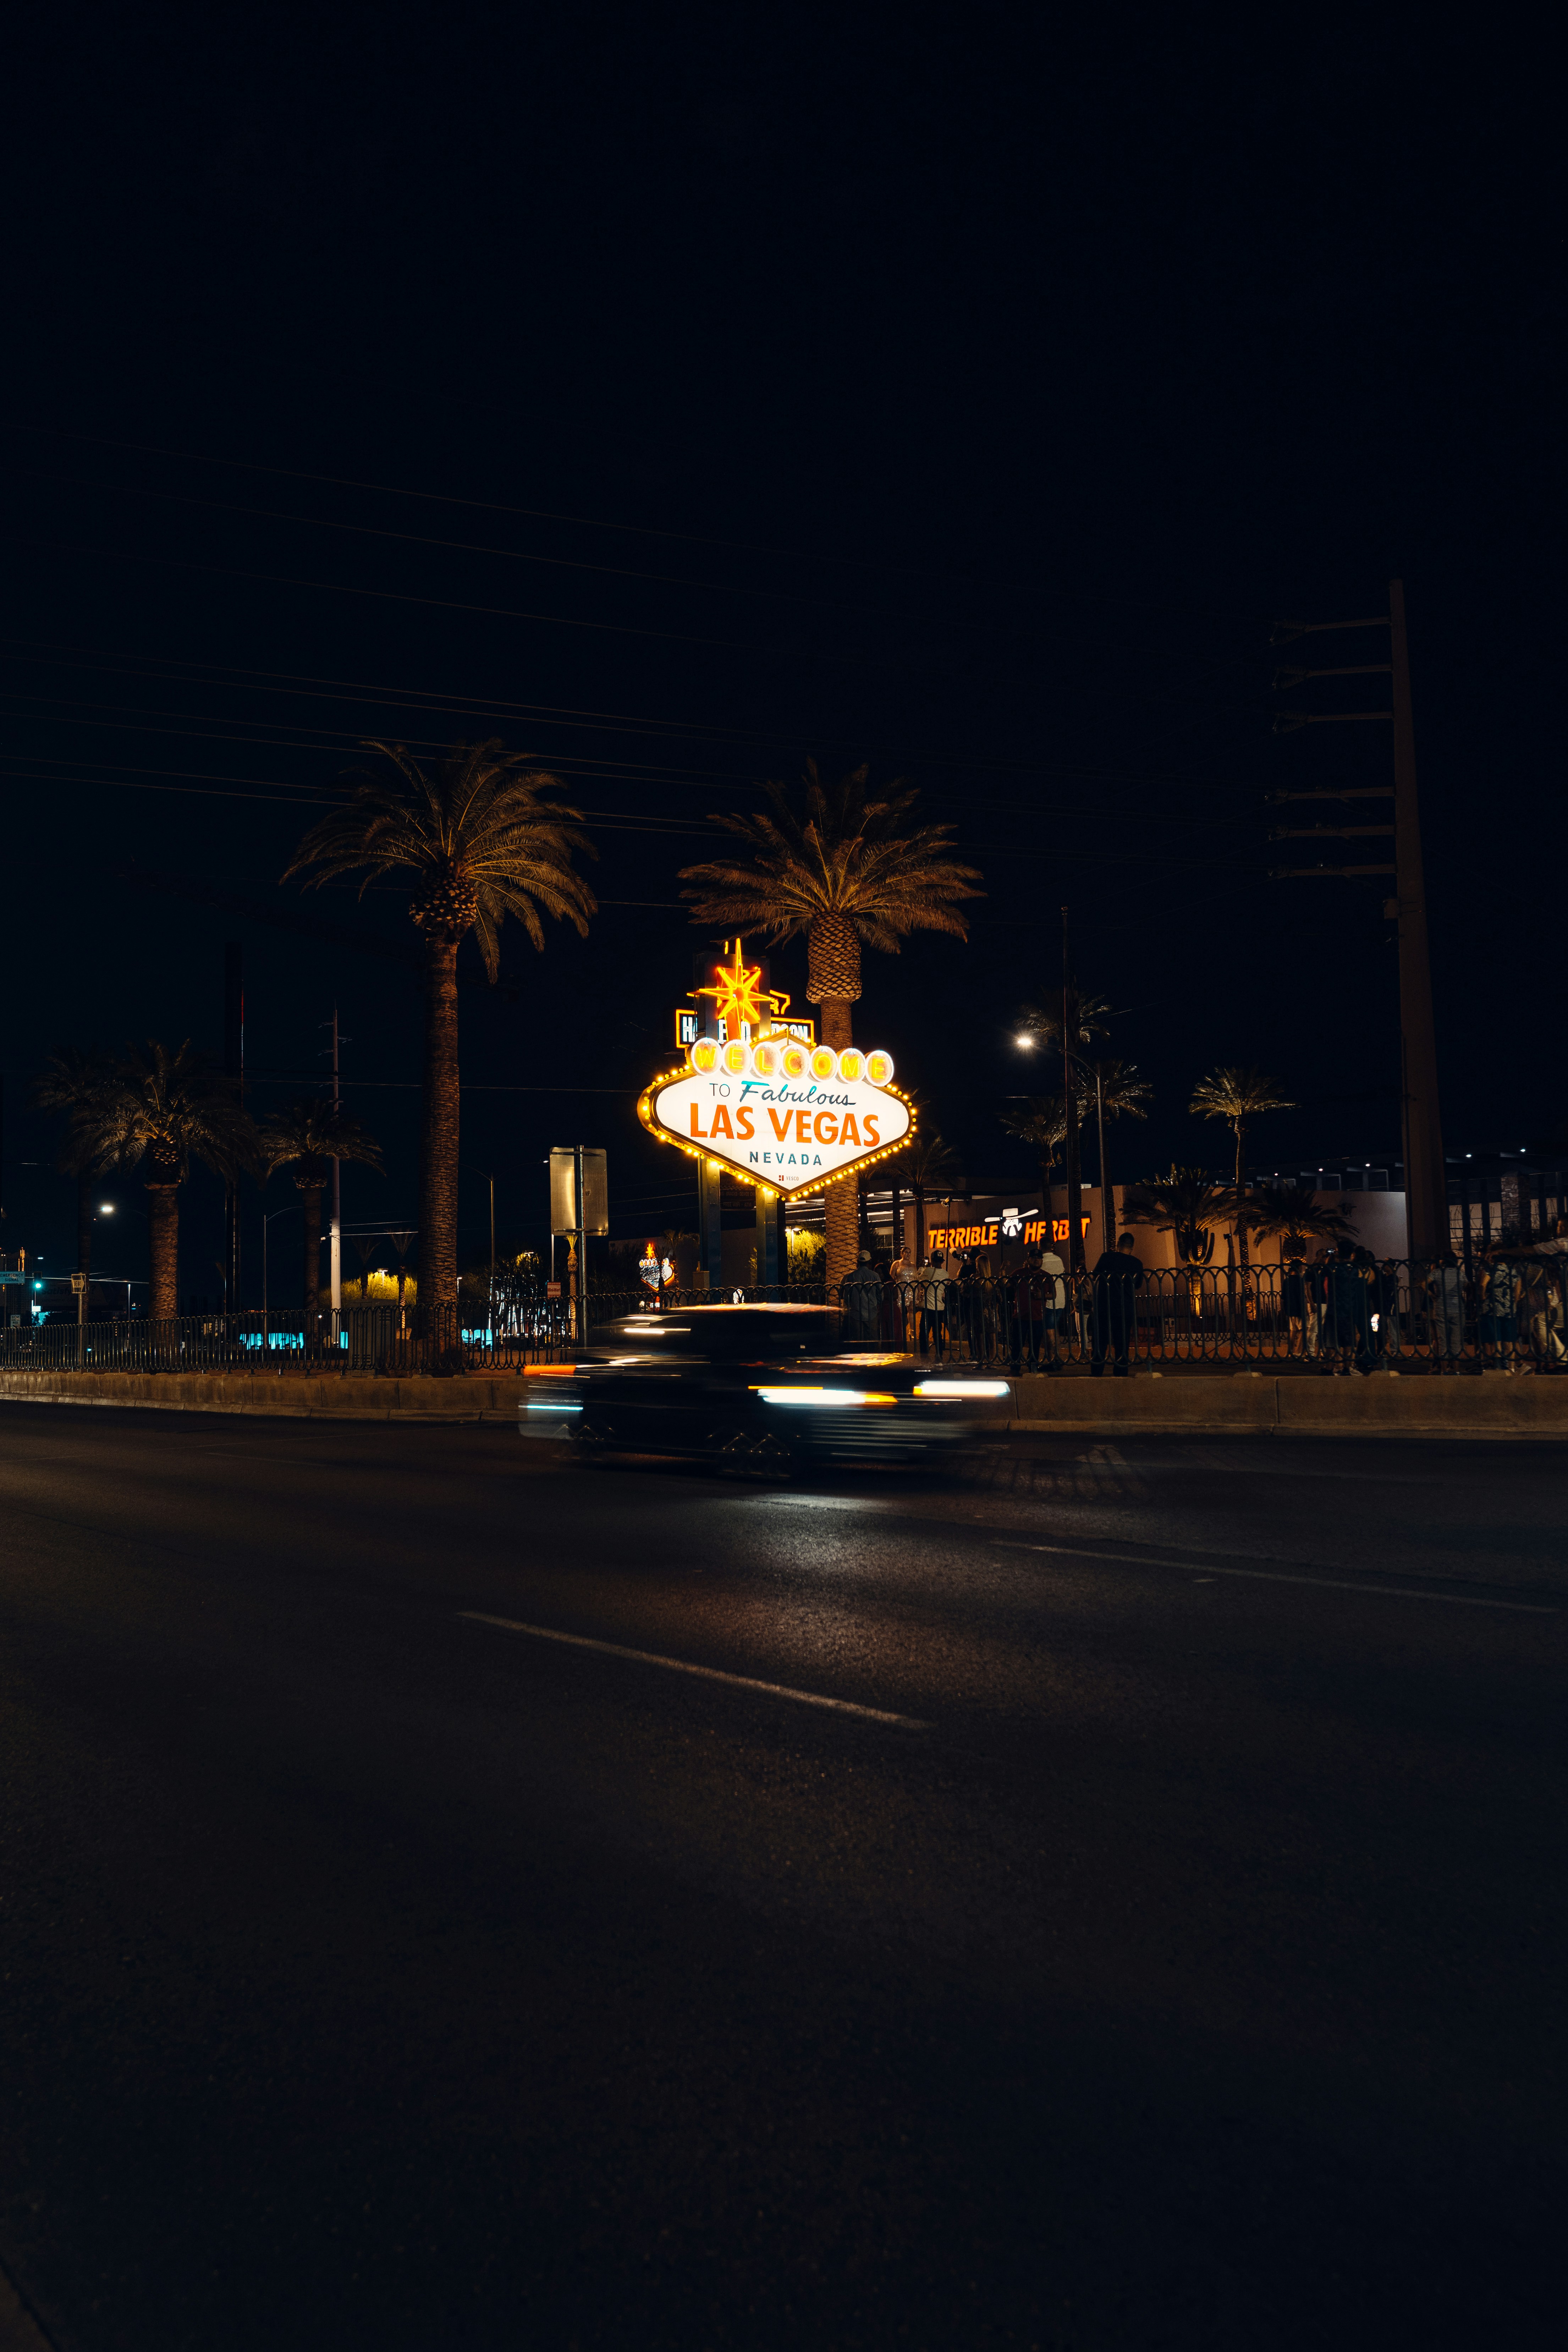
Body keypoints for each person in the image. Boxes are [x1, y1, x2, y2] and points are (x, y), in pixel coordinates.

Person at [1089, 1231, 1144, 1376]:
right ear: (1132, 1247)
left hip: (1104, 1306)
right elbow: (1138, 1285)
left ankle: (1097, 1372)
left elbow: (1095, 1276)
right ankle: (1121, 1373)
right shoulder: (1137, 1264)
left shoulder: (1107, 1257)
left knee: (1100, 1342)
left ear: (1118, 1244)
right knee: (1122, 1343)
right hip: (1125, 1307)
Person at [1475, 1245, 1522, 1370]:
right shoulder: (1513, 1271)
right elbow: (1518, 1290)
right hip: (1509, 1310)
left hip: (1492, 1309)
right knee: (1509, 1341)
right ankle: (1511, 1368)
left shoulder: (1490, 1269)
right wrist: (1514, 1303)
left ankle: (1498, 1367)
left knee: (1497, 1340)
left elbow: (1483, 1285)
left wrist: (1483, 1297)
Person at [1424, 1249, 1466, 1371]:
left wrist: (1431, 1294)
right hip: (1457, 1309)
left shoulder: (1437, 1273)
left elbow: (1423, 1283)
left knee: (1442, 1341)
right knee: (1456, 1342)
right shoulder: (1460, 1273)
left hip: (1440, 1309)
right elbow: (1467, 1286)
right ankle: (1456, 1370)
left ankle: (1444, 1371)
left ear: (1443, 1261)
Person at [841, 1248, 883, 1345]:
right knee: (873, 1341)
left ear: (858, 1262)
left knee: (858, 1342)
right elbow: (880, 1295)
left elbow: (847, 1297)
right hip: (871, 1313)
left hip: (856, 1314)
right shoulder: (875, 1276)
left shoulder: (851, 1276)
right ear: (869, 1262)